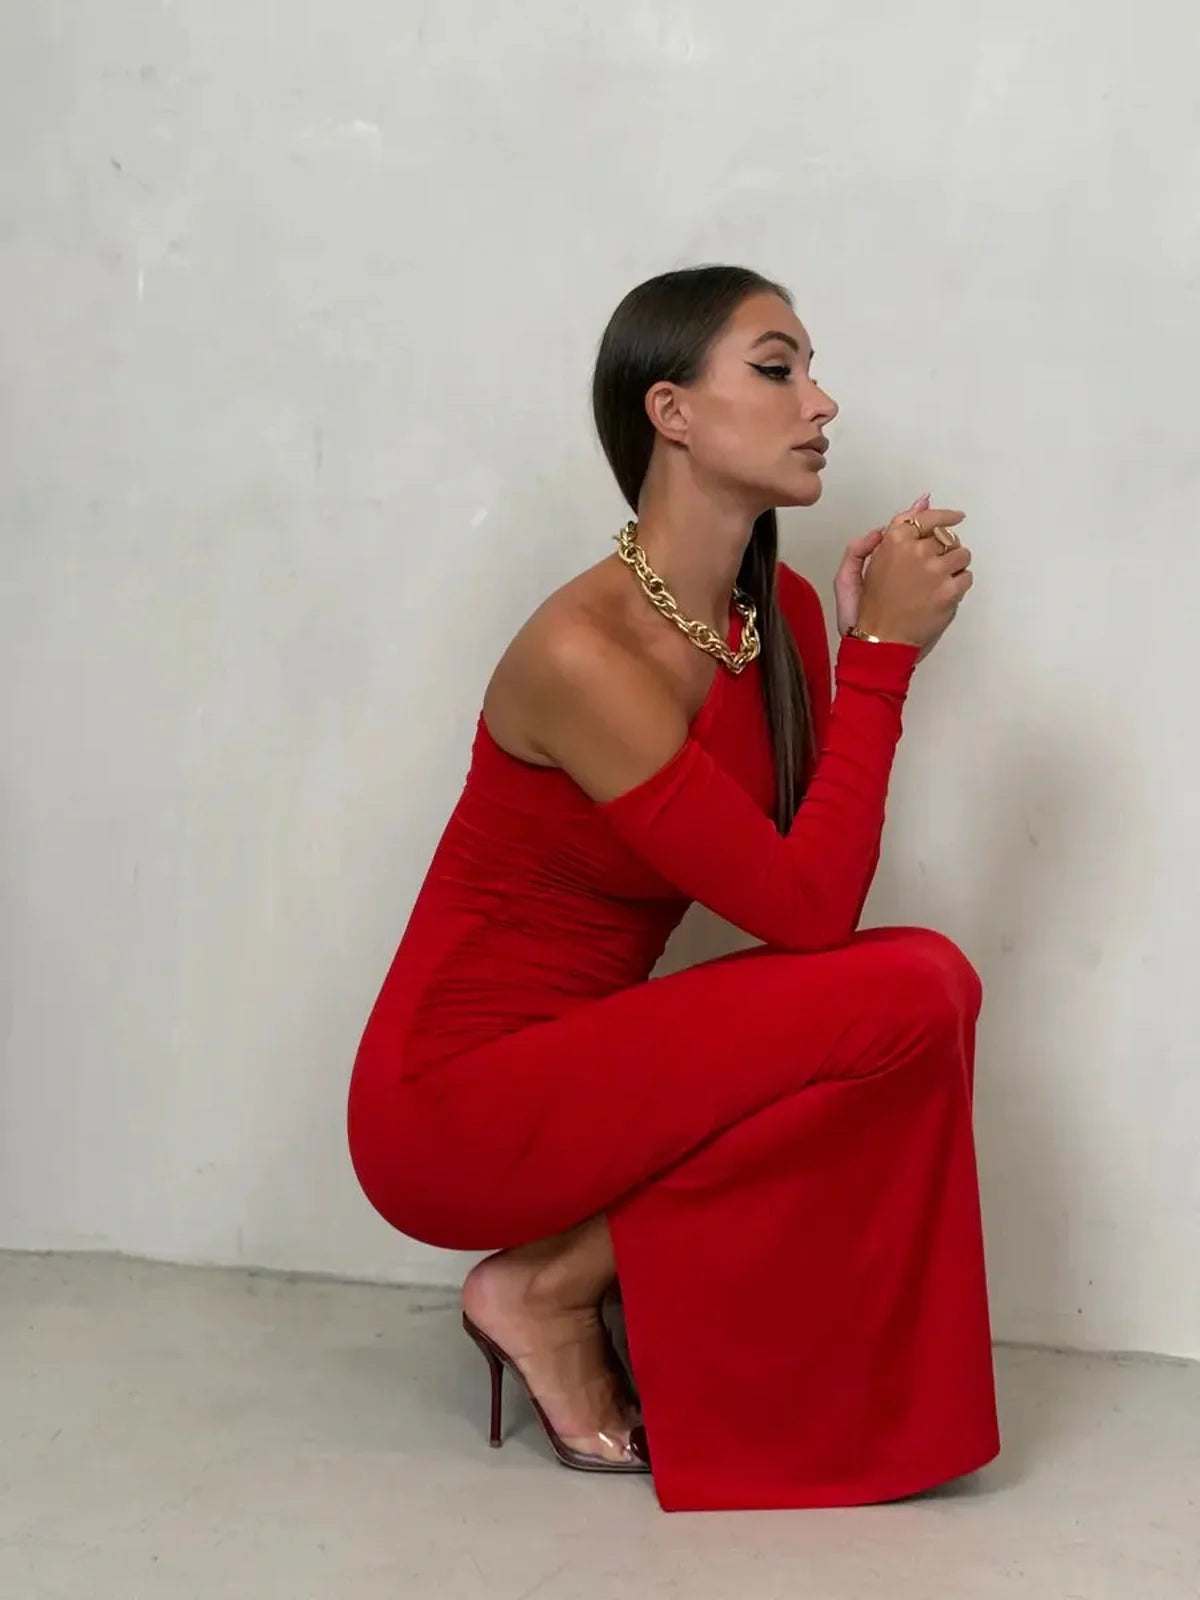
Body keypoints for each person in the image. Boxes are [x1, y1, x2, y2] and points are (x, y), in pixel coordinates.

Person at [347, 265, 1000, 1512]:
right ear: (672, 411)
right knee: (916, 983)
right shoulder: (583, 653)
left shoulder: (778, 614)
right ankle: (542, 1289)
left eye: (811, 369)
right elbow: (807, 920)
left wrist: (848, 647)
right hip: (450, 1105)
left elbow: (816, 897)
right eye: (777, 367)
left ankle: (571, 1283)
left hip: (591, 1070)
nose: (822, 401)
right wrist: (883, 664)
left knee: (912, 1002)